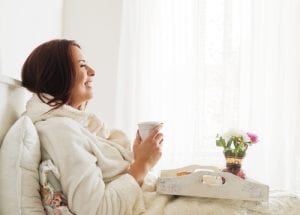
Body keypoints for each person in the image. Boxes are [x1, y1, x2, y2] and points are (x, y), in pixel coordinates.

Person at [22, 39, 164, 215]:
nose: (92, 71)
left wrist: (137, 159)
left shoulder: (71, 125)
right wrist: (143, 164)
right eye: (82, 65)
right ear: (58, 75)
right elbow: (97, 210)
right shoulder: (60, 132)